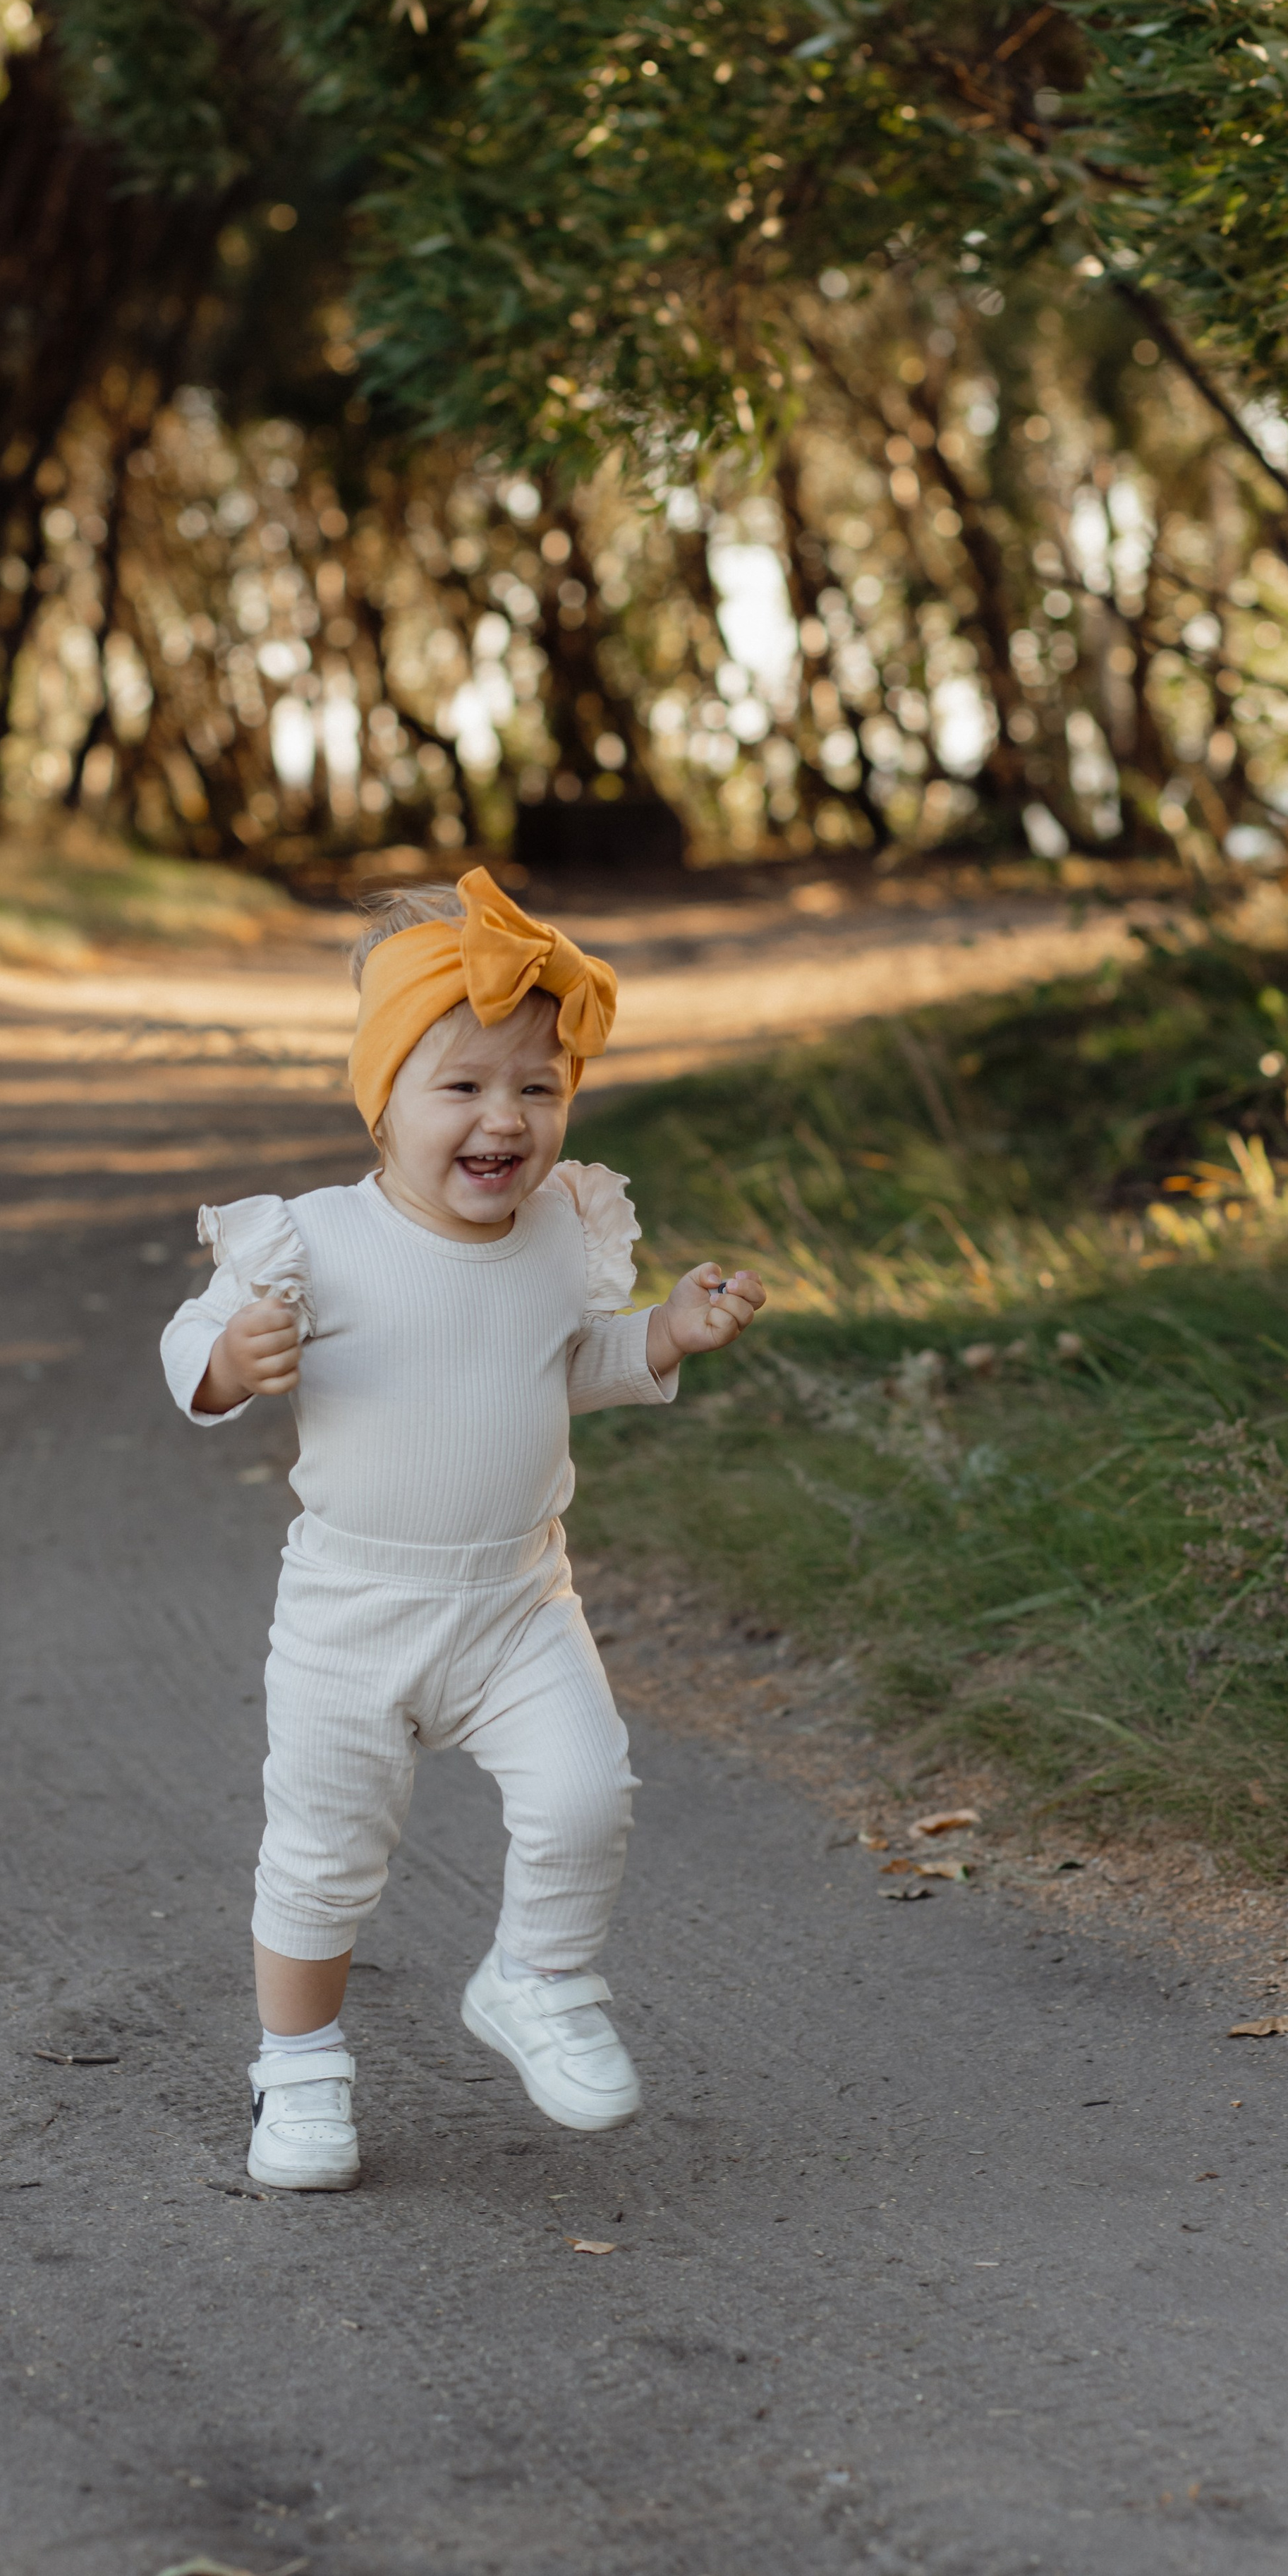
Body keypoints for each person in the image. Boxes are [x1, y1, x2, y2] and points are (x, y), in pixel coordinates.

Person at [160, 866, 766, 2190]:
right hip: (353, 1614)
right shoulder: (315, 1242)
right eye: (464, 1088)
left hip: (516, 1603)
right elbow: (191, 1344)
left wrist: (665, 1332)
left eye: (538, 1091)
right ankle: (303, 2076)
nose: (506, 1121)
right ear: (384, 1102)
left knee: (586, 1789)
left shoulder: (559, 1233)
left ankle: (539, 1978)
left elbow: (570, 1364)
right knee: (323, 1862)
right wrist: (232, 1355)